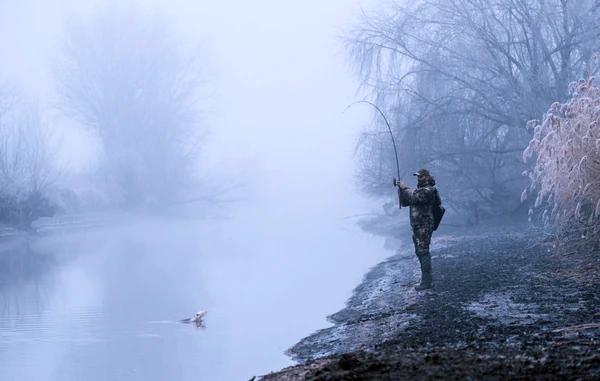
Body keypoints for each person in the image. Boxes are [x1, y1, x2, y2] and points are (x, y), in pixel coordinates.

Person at [394, 169, 442, 290]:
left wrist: (404, 188)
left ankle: (427, 282)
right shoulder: (419, 190)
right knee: (419, 251)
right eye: (417, 177)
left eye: (420, 177)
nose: (418, 179)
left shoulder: (430, 190)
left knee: (423, 251)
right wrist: (400, 189)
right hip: (417, 226)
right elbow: (406, 202)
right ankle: (426, 280)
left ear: (427, 177)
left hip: (424, 225)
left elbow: (415, 197)